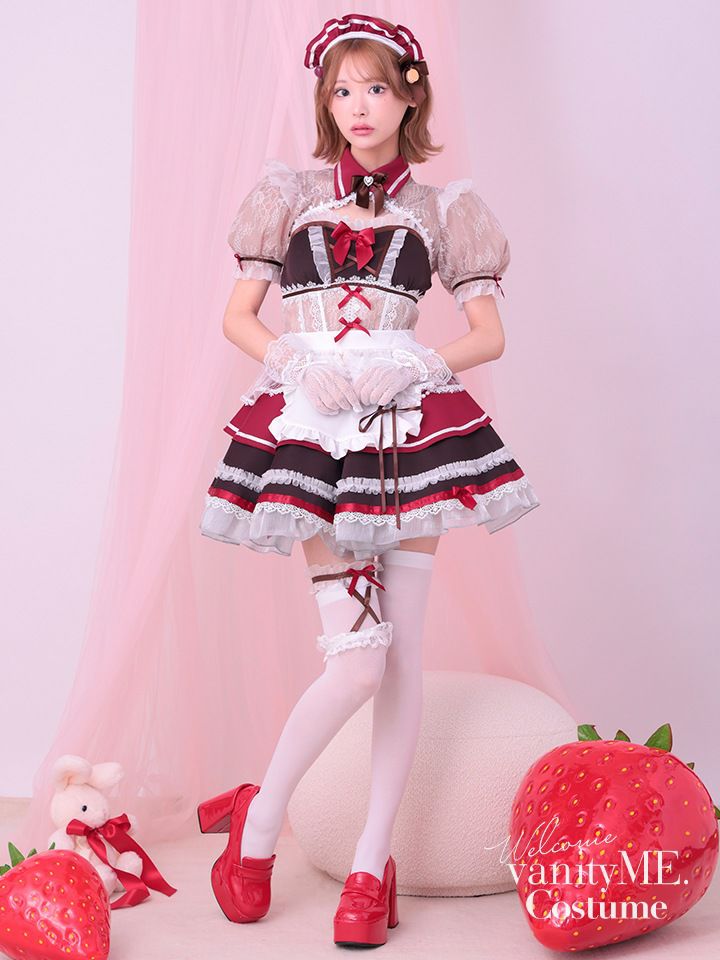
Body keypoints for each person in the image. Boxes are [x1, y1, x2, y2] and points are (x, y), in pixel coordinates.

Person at [197, 11, 540, 948]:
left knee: (403, 656)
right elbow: (239, 315)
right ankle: (260, 821)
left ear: (409, 98)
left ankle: (369, 862)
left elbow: (488, 334)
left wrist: (417, 362)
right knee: (355, 662)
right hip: (315, 429)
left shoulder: (442, 209)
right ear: (327, 100)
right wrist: (293, 362)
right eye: (343, 89)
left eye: (377, 87)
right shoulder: (290, 196)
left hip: (406, 430)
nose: (359, 106)